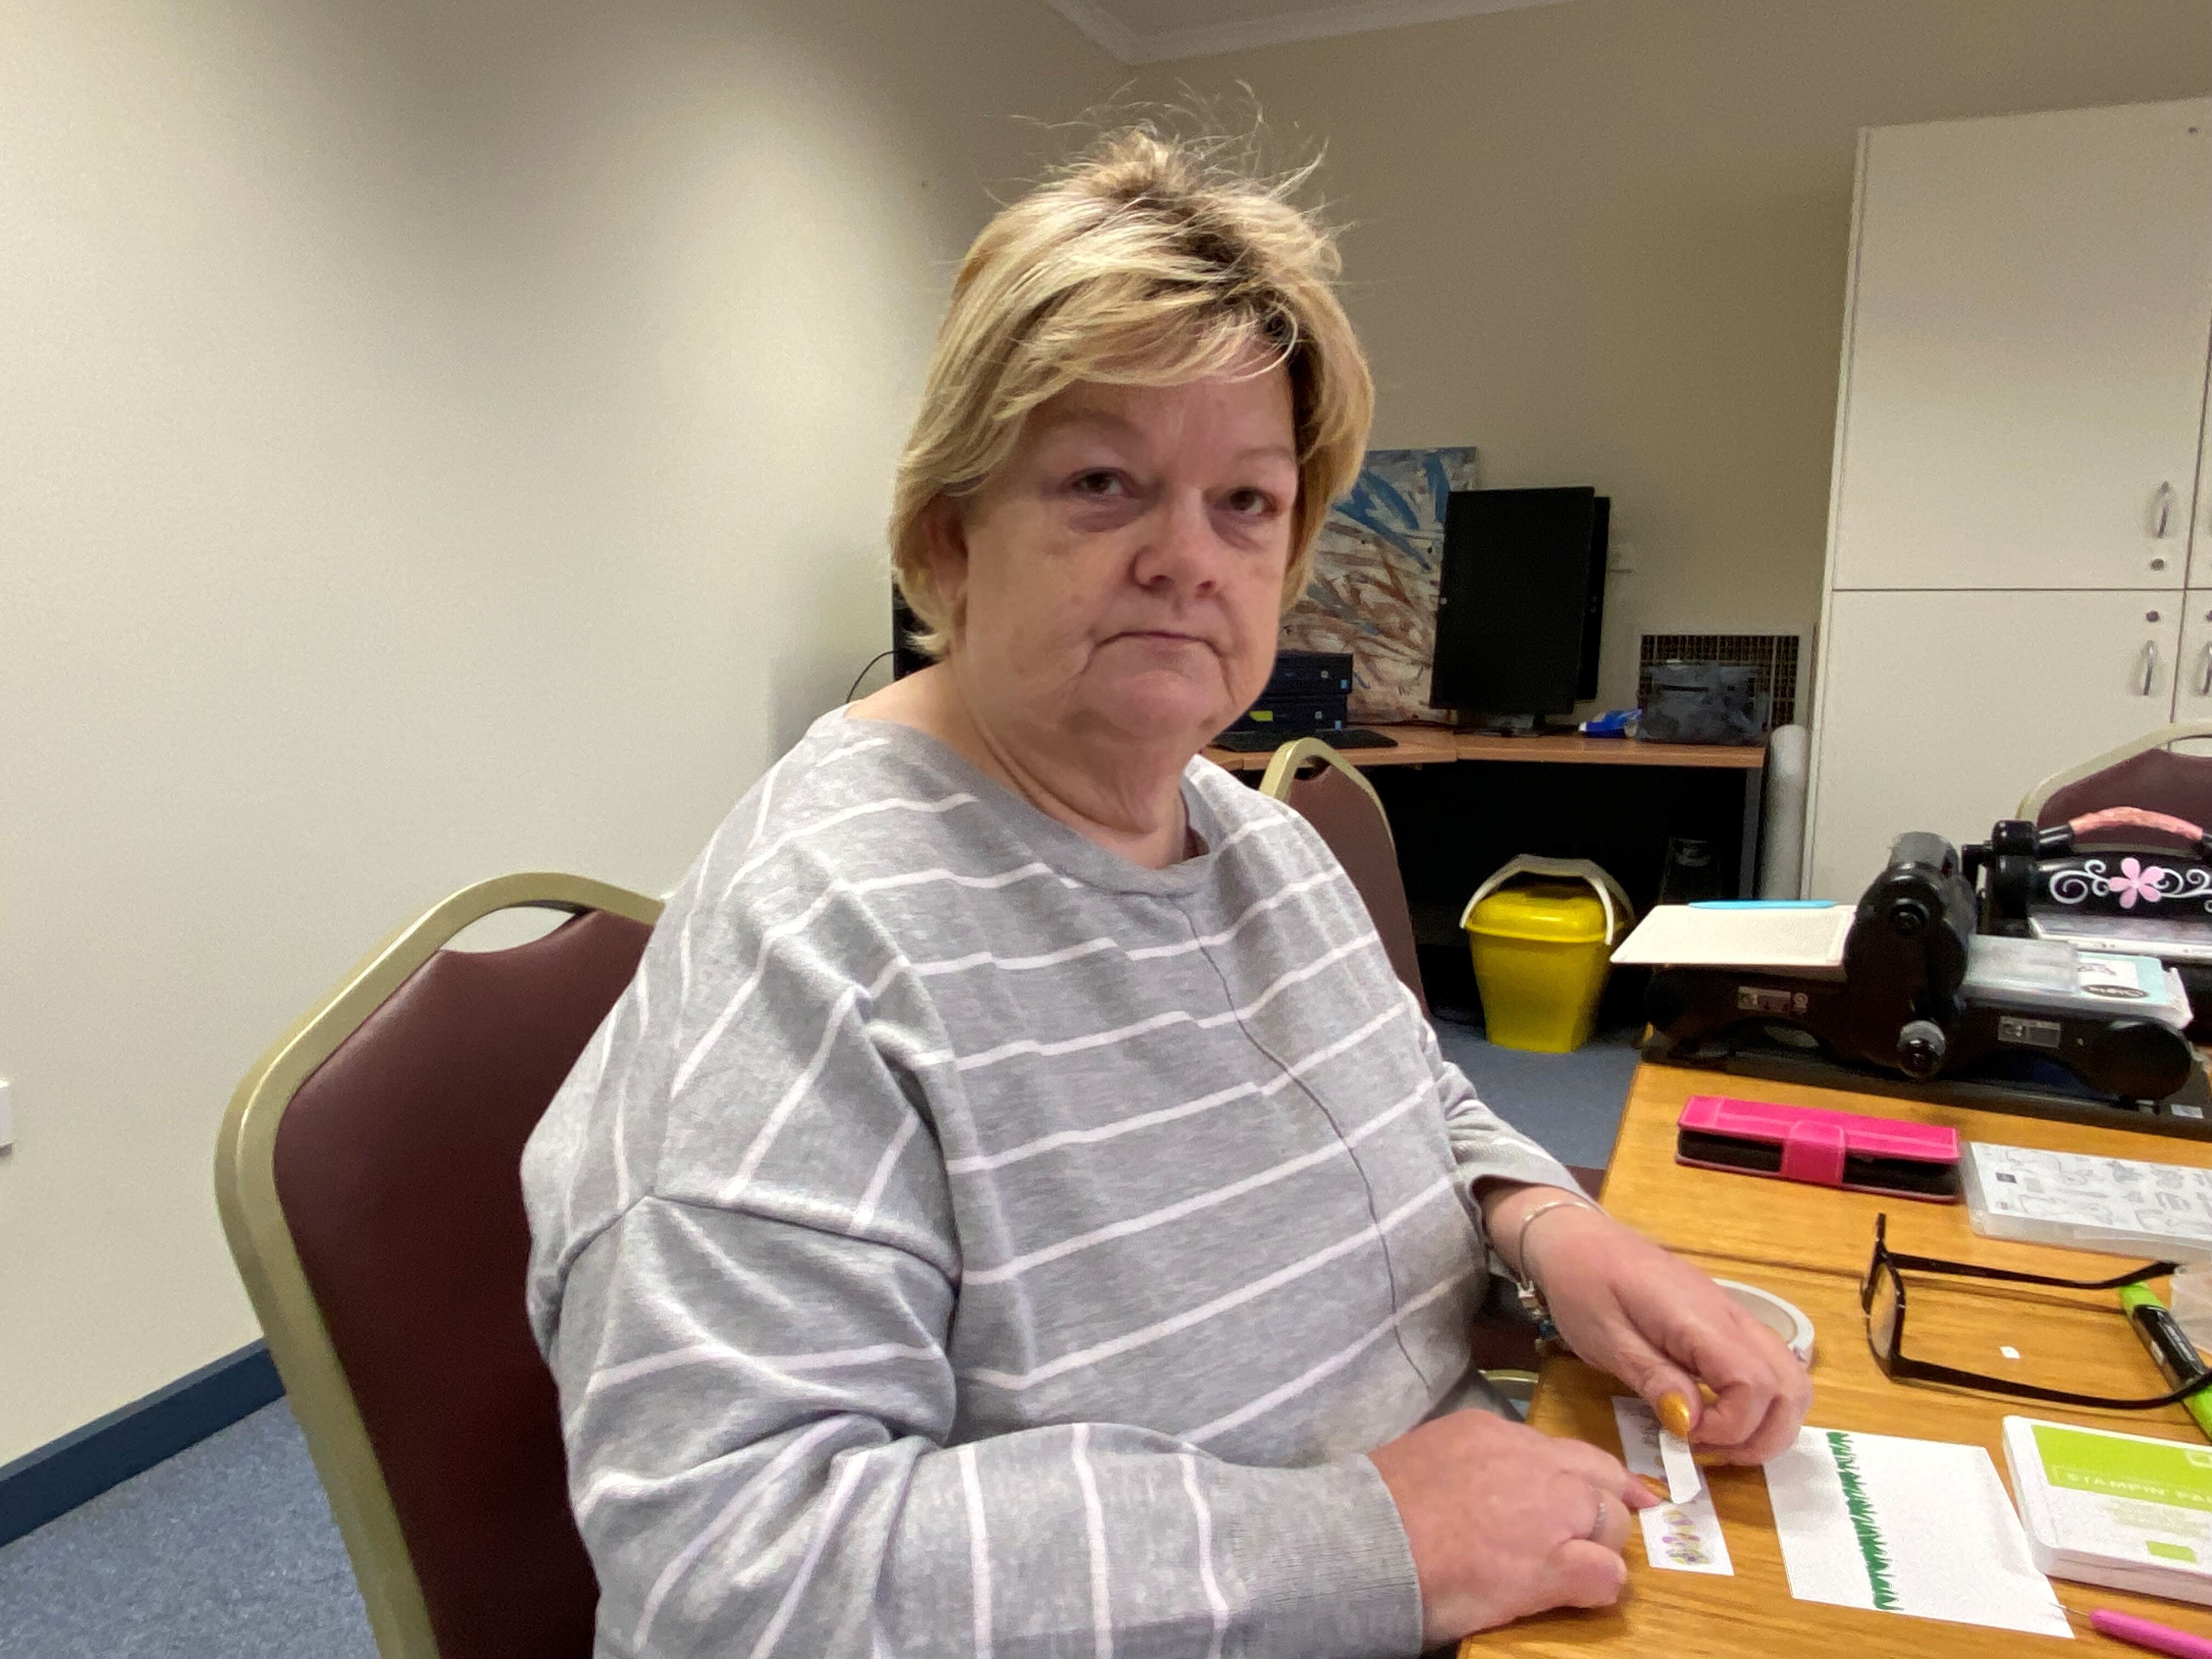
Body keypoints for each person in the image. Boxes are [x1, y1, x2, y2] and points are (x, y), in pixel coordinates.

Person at [521, 127, 1809, 1659]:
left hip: (1488, 1561)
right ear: (949, 536)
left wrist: (1540, 1225)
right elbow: (730, 1574)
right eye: (1101, 483)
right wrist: (1370, 1538)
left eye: (1246, 503)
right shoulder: (819, 938)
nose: (1185, 559)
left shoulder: (1241, 831)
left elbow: (1409, 1100)